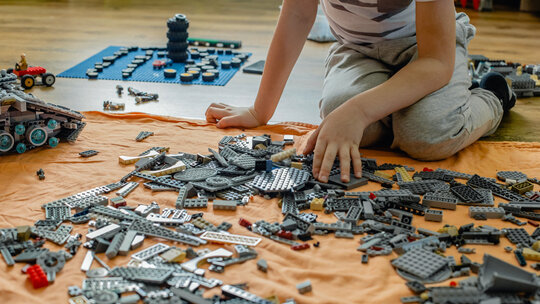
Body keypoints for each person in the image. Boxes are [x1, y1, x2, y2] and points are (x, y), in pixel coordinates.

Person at [205, 0, 515, 183]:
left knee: (429, 134)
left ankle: (492, 96)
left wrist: (359, 110)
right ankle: (407, 107)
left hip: (427, 49)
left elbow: (435, 60)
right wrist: (260, 110)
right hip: (358, 50)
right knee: (339, 119)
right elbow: (297, 15)